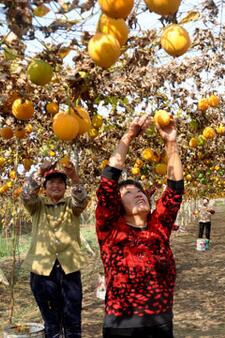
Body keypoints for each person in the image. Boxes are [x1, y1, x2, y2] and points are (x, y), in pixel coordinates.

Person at [95, 114, 184, 338]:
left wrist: (171, 143)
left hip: (160, 321)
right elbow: (107, 182)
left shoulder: (158, 228)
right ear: (117, 203)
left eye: (140, 191)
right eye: (128, 193)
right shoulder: (110, 230)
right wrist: (129, 136)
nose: (137, 195)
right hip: (121, 325)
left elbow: (174, 191)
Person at [21, 159, 88, 338]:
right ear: (44, 187)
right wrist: (40, 172)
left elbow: (81, 199)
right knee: (51, 322)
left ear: (66, 188)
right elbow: (26, 195)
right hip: (42, 272)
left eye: (60, 182)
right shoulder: (37, 205)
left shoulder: (72, 206)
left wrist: (74, 177)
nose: (56, 185)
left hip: (69, 269)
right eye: (51, 182)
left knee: (73, 321)